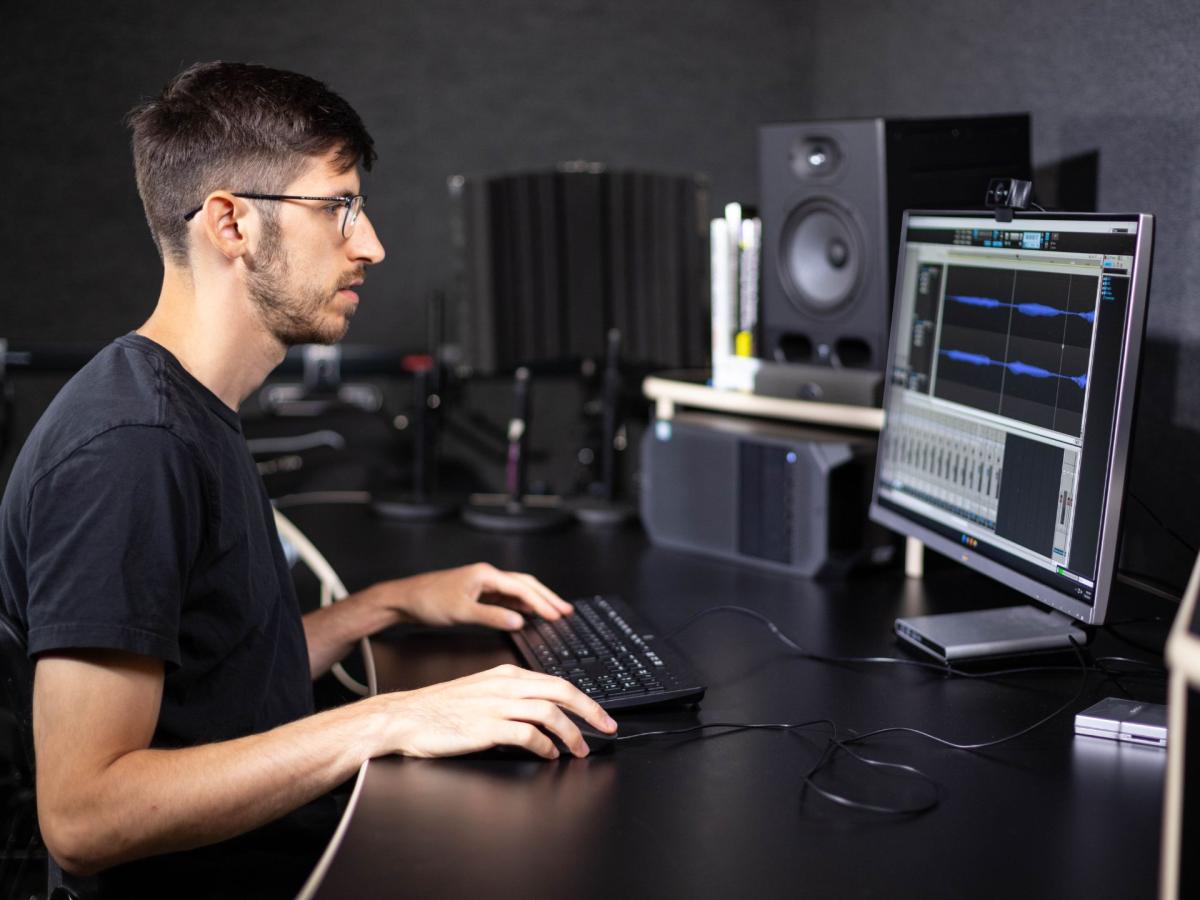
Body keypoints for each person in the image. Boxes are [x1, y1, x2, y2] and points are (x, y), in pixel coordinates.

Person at [0, 61, 615, 897]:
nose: (371, 244)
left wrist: (389, 604)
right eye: (339, 207)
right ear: (232, 224)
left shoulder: (186, 407)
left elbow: (214, 677)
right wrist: (392, 717)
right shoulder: (129, 451)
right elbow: (84, 816)